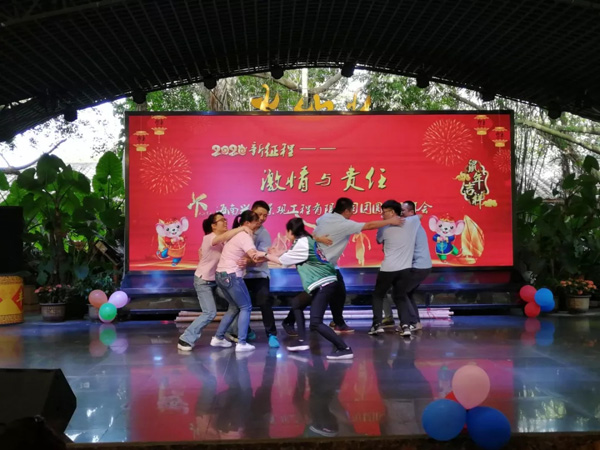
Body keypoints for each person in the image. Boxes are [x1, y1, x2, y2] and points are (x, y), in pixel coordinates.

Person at [282, 197, 404, 335]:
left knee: (338, 291)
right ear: (346, 211)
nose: (352, 213)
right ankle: (290, 321)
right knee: (313, 294)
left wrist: (317, 237)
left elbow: (318, 223)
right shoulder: (344, 224)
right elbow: (369, 225)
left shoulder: (325, 217)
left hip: (326, 264)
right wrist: (390, 221)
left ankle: (337, 323)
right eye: (352, 210)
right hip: (319, 265)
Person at [265, 218, 353, 360]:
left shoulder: (302, 243)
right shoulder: (306, 240)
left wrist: (264, 255)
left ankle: (344, 348)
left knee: (316, 322)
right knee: (296, 303)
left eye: (287, 232)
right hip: (321, 282)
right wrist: (269, 255)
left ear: (290, 231)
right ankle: (301, 340)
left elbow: (283, 260)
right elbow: (286, 256)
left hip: (324, 283)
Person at [177, 212, 251, 351]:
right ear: (213, 225)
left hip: (218, 280)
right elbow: (222, 237)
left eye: (225, 219)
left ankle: (227, 333)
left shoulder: (226, 241)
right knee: (210, 313)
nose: (225, 222)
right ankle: (186, 338)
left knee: (236, 303)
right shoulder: (209, 238)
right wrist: (241, 228)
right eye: (221, 220)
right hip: (203, 281)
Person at [227, 201, 279, 348]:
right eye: (259, 214)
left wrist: (248, 261)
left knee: (264, 301)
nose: (262, 218)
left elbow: (261, 257)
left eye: (265, 215)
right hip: (240, 275)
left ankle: (272, 334)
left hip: (259, 275)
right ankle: (245, 331)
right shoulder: (238, 230)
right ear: (252, 212)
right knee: (239, 304)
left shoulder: (264, 233)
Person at [211, 210, 265, 352]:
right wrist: (271, 254)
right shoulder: (244, 236)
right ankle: (241, 343)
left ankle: (218, 338)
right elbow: (254, 256)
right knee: (246, 307)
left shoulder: (235, 234)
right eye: (256, 222)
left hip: (220, 275)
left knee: (234, 307)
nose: (258, 224)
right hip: (231, 275)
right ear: (247, 223)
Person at [369, 200, 422, 337]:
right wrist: (401, 219)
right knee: (400, 297)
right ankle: (405, 326)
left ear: (392, 212)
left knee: (378, 295)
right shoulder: (411, 222)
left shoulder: (383, 227)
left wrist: (390, 222)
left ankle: (377, 325)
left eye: (384, 212)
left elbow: (378, 240)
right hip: (405, 269)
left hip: (388, 268)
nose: (382, 215)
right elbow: (420, 216)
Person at [401, 200, 433, 331]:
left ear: (411, 212)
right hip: (423, 266)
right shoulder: (413, 224)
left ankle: (414, 322)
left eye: (403, 210)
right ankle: (415, 322)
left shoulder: (411, 223)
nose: (401, 213)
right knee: (407, 293)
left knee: (401, 292)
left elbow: (419, 216)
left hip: (419, 266)